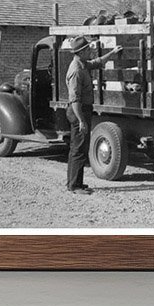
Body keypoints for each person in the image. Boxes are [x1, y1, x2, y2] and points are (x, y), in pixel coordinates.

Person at [65, 35, 122, 194]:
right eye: (88, 49)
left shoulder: (82, 64)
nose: (90, 50)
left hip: (82, 110)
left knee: (79, 148)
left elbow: (96, 62)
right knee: (78, 148)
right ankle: (74, 186)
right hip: (78, 110)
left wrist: (112, 53)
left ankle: (75, 183)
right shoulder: (76, 70)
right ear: (81, 52)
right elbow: (74, 99)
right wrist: (81, 120)